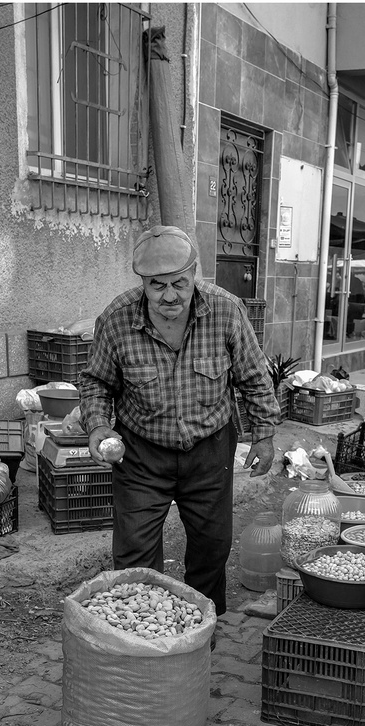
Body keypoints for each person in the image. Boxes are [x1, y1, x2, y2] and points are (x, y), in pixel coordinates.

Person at [78, 225, 279, 624]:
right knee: (134, 549)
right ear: (143, 284)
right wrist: (99, 426)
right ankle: (143, 630)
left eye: (179, 284)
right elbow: (97, 380)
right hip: (140, 453)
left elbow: (254, 376)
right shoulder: (117, 319)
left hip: (209, 450)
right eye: (157, 286)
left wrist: (265, 434)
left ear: (194, 276)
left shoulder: (225, 310)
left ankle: (201, 628)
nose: (170, 295)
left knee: (212, 545)